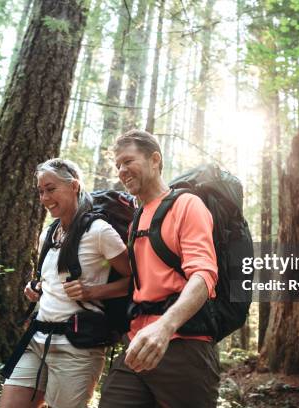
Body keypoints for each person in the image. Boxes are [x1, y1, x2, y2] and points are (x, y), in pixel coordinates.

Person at [99, 130, 220, 408]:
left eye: (128, 161)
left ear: (155, 160)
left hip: (184, 344)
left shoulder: (187, 204)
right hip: (137, 342)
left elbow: (204, 274)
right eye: (118, 165)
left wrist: (165, 327)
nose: (122, 170)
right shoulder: (136, 219)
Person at [0, 158, 131, 408]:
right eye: (40, 191)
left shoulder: (100, 231)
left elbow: (135, 281)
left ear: (74, 186)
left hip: (78, 347)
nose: (44, 197)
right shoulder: (48, 234)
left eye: (50, 189)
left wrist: (94, 291)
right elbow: (51, 280)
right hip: (36, 339)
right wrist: (35, 287)